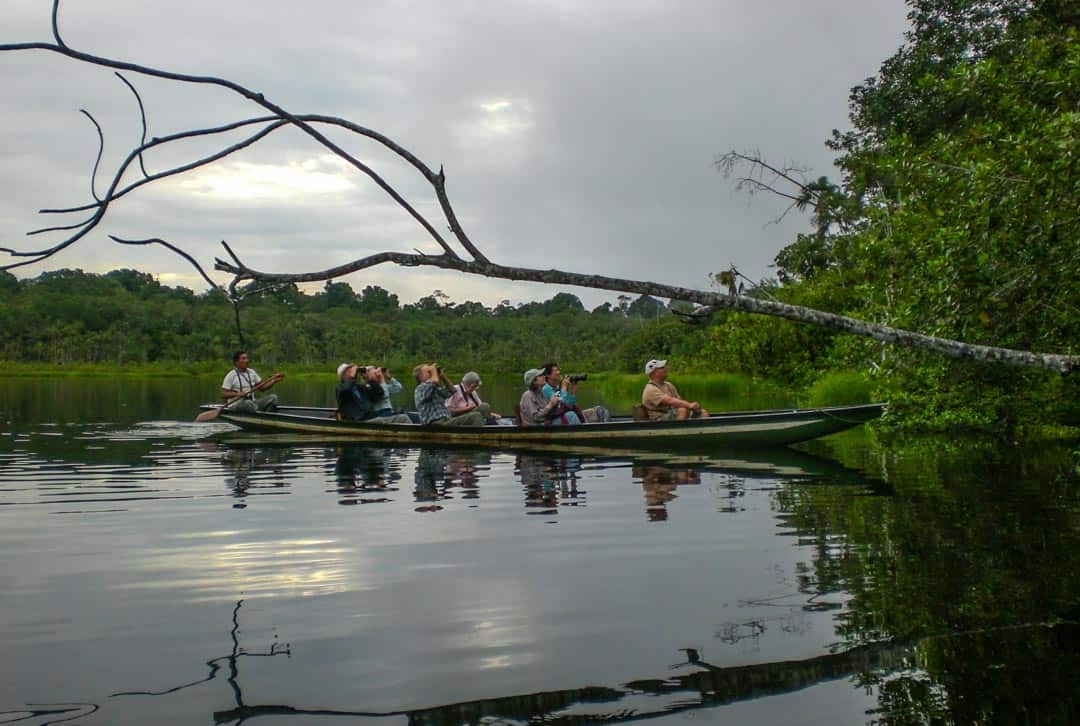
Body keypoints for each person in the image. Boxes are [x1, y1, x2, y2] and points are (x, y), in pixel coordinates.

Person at [413, 363, 486, 426]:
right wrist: (433, 371)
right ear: (420, 376)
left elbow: (452, 390)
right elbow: (434, 381)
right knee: (476, 416)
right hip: (435, 422)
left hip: (446, 421)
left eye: (431, 371)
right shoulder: (420, 389)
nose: (431, 373)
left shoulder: (434, 388)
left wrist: (443, 376)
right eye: (428, 372)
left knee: (483, 408)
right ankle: (475, 437)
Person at [336, 363, 411, 424]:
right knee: (400, 419)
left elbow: (379, 394)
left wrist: (371, 379)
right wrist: (352, 376)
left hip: (370, 418)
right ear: (342, 375)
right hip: (357, 421)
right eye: (349, 371)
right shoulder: (340, 388)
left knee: (402, 416)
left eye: (352, 370)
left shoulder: (359, 387)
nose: (353, 372)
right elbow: (346, 389)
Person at [540, 362, 609, 423]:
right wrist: (564, 388)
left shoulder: (557, 387)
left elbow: (569, 405)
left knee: (599, 410)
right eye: (556, 370)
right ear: (548, 375)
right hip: (551, 420)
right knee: (571, 415)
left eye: (559, 370)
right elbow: (562, 406)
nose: (559, 372)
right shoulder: (546, 388)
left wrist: (573, 391)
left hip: (561, 416)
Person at [641, 359, 710, 421]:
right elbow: (670, 400)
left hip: (672, 413)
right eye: (662, 368)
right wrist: (689, 405)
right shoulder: (650, 389)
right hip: (658, 419)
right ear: (654, 373)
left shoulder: (668, 385)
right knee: (682, 411)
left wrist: (693, 408)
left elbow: (678, 400)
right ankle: (678, 433)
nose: (665, 369)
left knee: (703, 412)